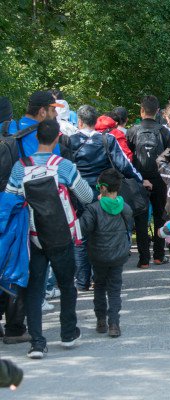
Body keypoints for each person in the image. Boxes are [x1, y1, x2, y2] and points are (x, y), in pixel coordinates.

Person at [6, 119, 94, 359]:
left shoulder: (20, 167)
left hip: (32, 236)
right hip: (61, 235)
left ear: (36, 138)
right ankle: (68, 333)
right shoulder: (64, 166)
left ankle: (37, 343)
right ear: (57, 139)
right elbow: (86, 196)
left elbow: (10, 199)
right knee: (66, 285)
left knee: (34, 289)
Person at [69, 105, 143, 290]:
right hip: (102, 192)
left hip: (77, 193)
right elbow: (123, 164)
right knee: (100, 233)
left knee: (80, 235)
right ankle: (98, 278)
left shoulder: (70, 141)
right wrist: (139, 178)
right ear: (96, 121)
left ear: (79, 121)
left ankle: (82, 280)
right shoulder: (107, 139)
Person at [79, 169, 133, 338]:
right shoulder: (125, 208)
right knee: (115, 289)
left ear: (102, 188)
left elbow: (83, 229)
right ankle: (114, 324)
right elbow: (129, 226)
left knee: (100, 286)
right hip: (118, 255)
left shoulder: (93, 209)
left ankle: (101, 321)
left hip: (98, 255)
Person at [127, 95, 170, 269]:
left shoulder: (132, 131)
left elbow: (128, 155)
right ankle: (159, 255)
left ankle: (143, 259)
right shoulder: (164, 131)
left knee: (140, 217)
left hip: (139, 179)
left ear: (141, 110)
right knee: (159, 215)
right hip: (160, 178)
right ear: (157, 112)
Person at [11, 91, 65, 157]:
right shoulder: (47, 136)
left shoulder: (9, 126)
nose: (56, 114)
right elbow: (57, 162)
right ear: (42, 112)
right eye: (53, 110)